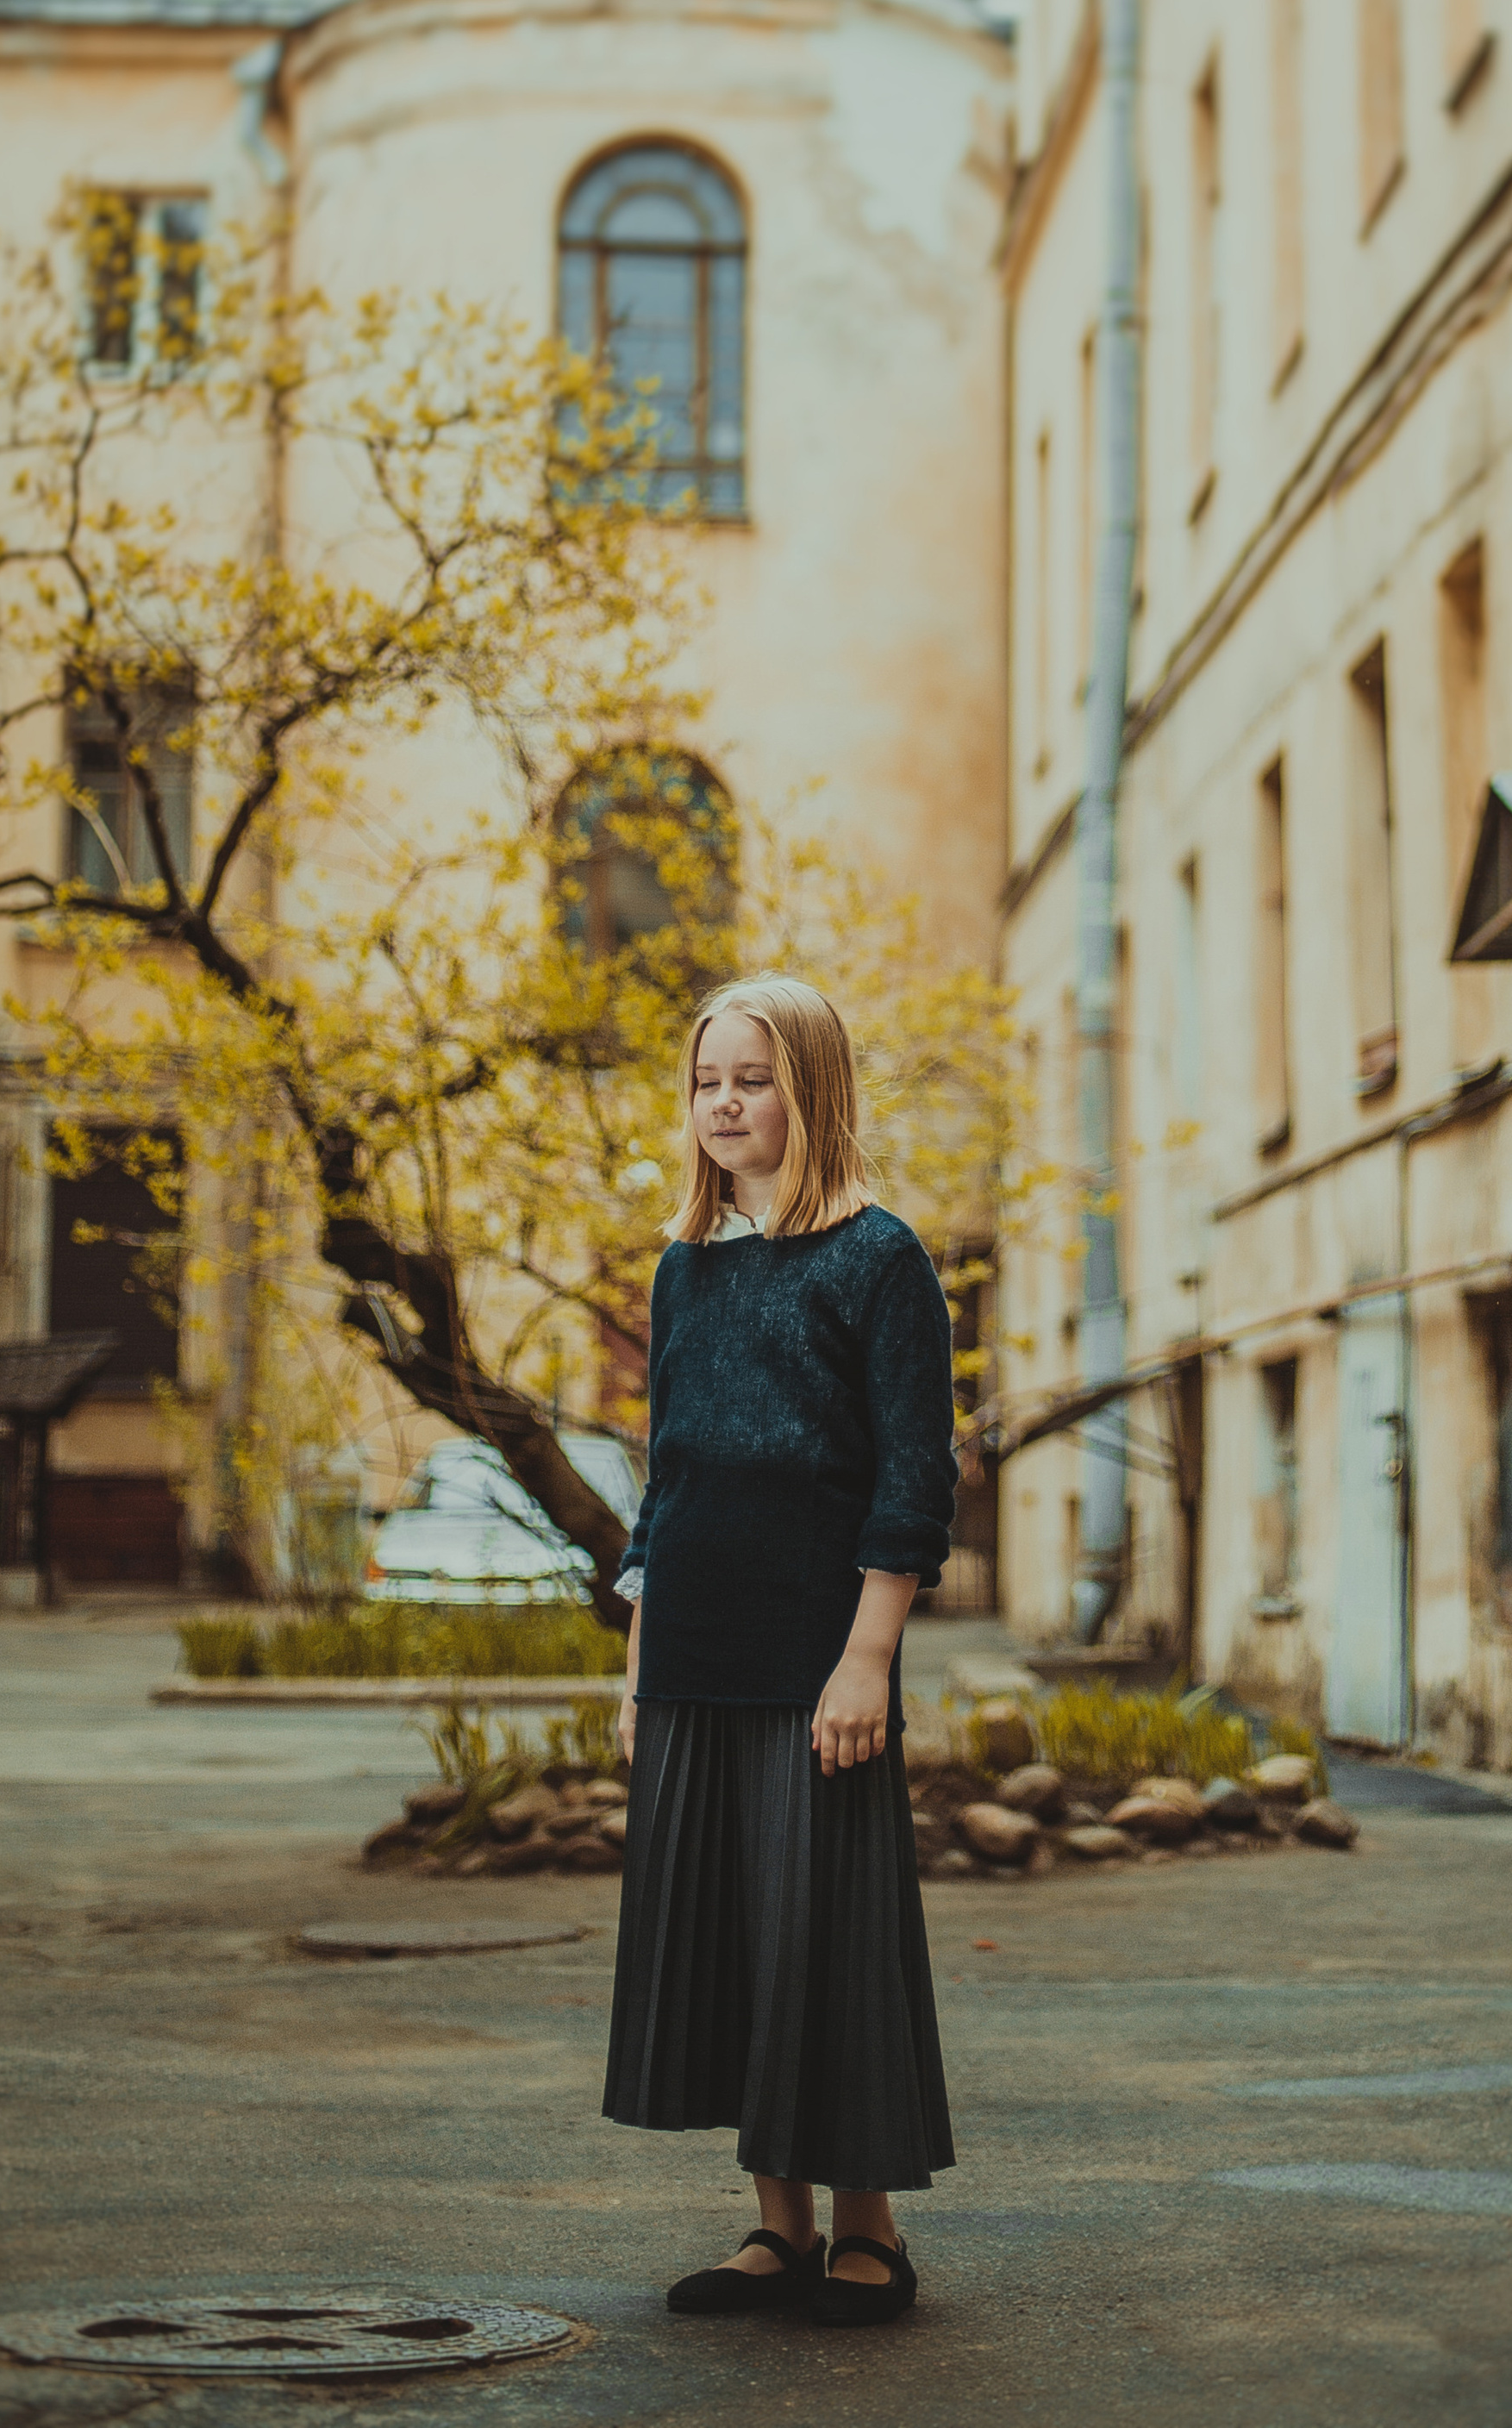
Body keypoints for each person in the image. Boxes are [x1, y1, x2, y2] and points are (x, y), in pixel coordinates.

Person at [602, 972, 959, 2331]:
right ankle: (778, 2230)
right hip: (693, 1646)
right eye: (707, 1083)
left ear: (808, 1091)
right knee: (739, 1936)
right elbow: (665, 1482)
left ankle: (869, 2231)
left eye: (751, 1080)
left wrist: (867, 1657)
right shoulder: (683, 1271)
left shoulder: (881, 1259)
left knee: (830, 1934)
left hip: (821, 1654)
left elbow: (911, 1480)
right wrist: (636, 1669)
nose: (726, 1104)